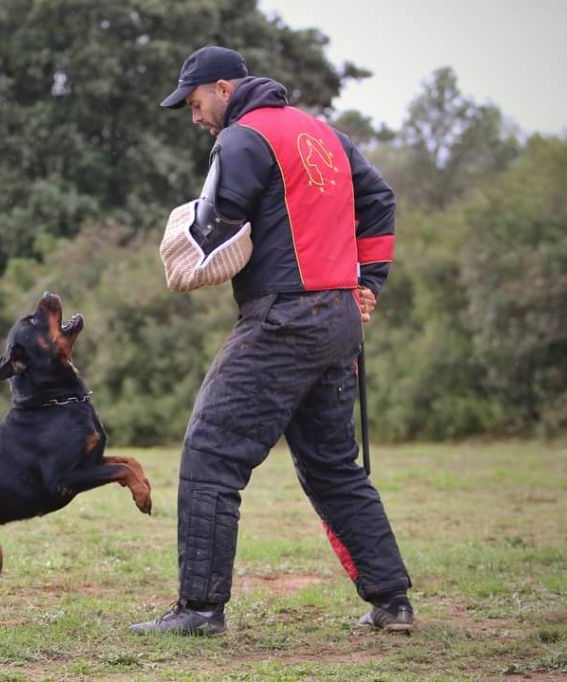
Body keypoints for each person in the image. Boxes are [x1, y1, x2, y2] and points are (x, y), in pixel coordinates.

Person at [131, 46, 413, 635]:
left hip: (284, 317)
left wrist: (186, 236)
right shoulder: (327, 136)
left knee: (211, 452)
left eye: (196, 100)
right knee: (334, 466)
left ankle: (200, 610)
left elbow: (218, 225)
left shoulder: (241, 140)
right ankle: (393, 602)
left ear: (224, 88)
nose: (195, 114)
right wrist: (368, 281)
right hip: (337, 319)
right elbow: (379, 200)